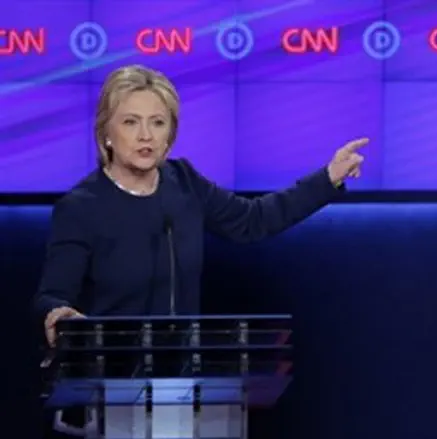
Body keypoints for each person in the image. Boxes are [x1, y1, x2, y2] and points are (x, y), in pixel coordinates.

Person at [33, 64, 369, 347]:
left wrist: (327, 178)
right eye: (130, 122)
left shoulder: (184, 183)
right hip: (108, 382)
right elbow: (53, 295)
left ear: (170, 135)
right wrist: (58, 314)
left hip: (181, 379)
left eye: (158, 122)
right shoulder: (81, 207)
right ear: (107, 132)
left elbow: (254, 220)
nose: (145, 135)